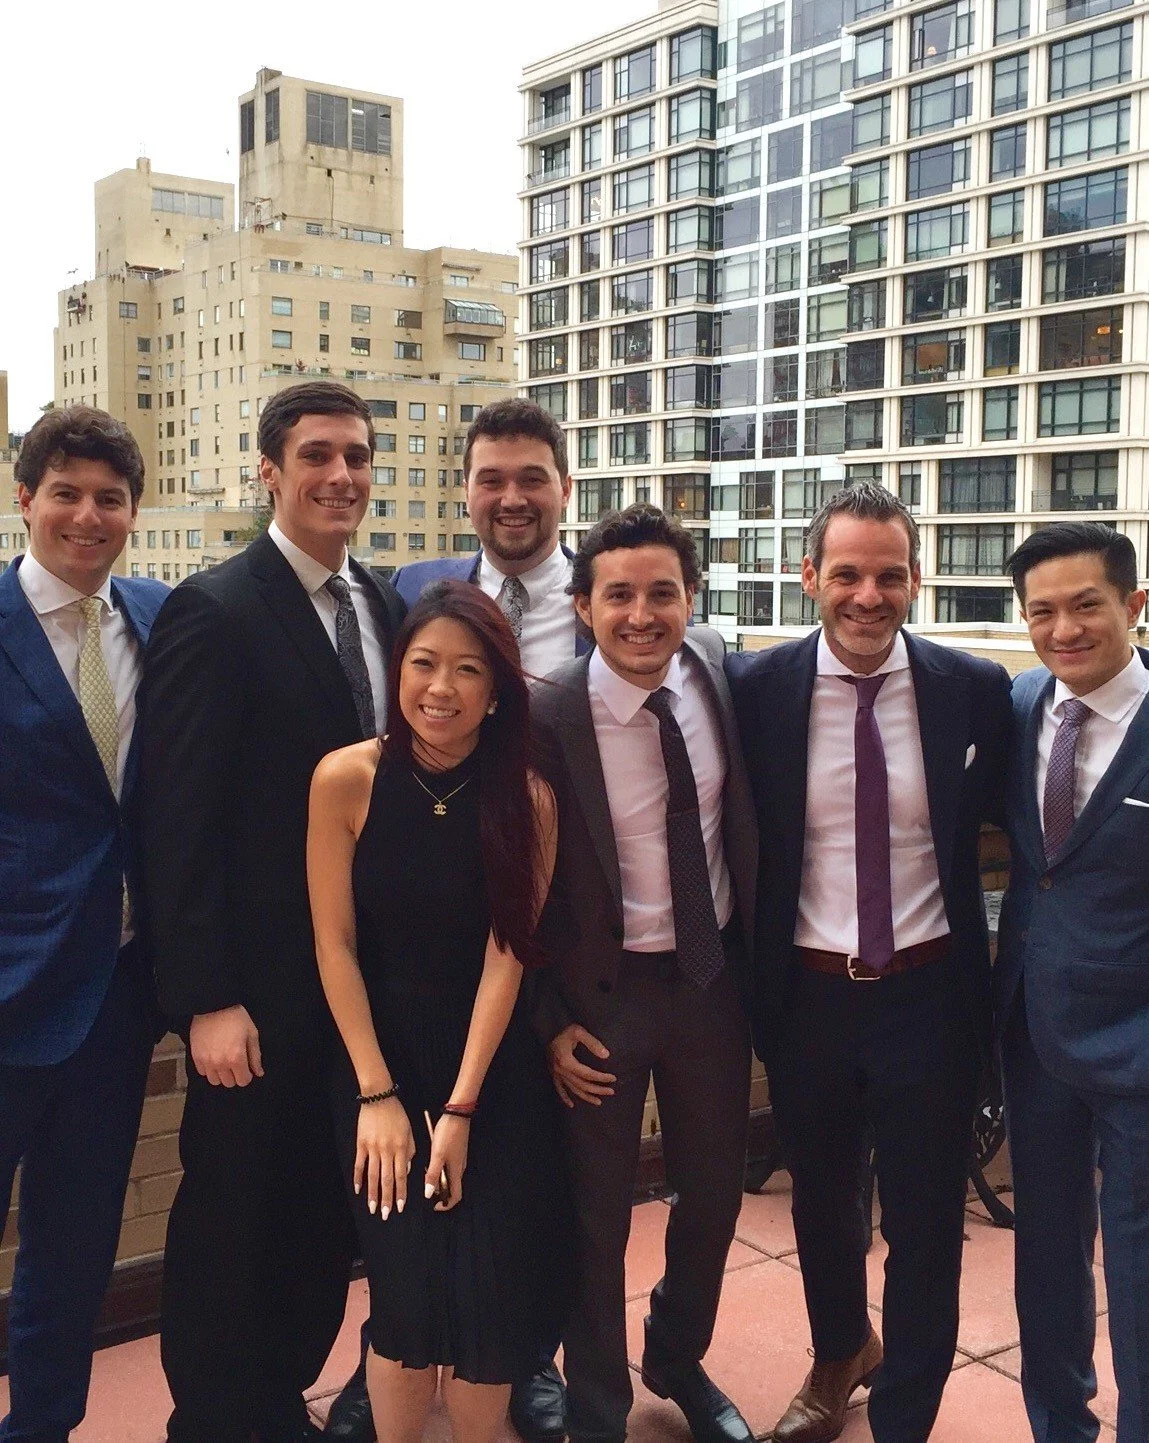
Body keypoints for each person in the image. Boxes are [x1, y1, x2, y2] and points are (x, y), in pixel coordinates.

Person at [137, 382, 406, 1443]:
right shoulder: (215, 607)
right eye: (317, 457)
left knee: (312, 1217)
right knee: (230, 1219)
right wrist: (206, 998)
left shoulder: (383, 605)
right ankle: (210, 1419)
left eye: (357, 457)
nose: (340, 476)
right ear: (269, 472)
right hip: (253, 996)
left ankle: (278, 1399)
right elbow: (178, 818)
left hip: (357, 988)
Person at [728, 483, 1011, 1443]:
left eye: (889, 575)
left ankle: (903, 1417)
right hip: (806, 993)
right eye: (844, 573)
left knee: (925, 1220)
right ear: (808, 577)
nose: (866, 594)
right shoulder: (755, 692)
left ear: (915, 580)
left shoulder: (971, 688)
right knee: (821, 1200)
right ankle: (839, 1350)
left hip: (929, 992)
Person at [327, 396, 583, 1443]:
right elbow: (332, 939)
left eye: (469, 668)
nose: (442, 685)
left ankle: (517, 1371)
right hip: (386, 1049)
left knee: (497, 1286)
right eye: (425, 665)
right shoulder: (352, 767)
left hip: (504, 1043)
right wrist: (378, 1090)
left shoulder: (526, 784)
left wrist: (467, 1104)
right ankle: (384, 1372)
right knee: (402, 1288)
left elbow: (510, 943)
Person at [532, 504, 757, 1443]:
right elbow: (508, 885)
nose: (640, 614)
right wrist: (545, 1017)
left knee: (712, 1193)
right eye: (616, 594)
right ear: (582, 605)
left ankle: (676, 1351)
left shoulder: (712, 671)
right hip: (598, 1002)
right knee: (594, 1220)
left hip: (708, 985)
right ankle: (596, 1406)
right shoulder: (544, 714)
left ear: (690, 600)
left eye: (661, 592)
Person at [0, 406, 167, 1442]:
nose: (88, 514)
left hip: (113, 1006)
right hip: (6, 999)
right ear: (26, 500)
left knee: (71, 1255)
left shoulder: (156, 616)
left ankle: (42, 1430)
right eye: (66, 492)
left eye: (109, 498)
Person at [996, 522, 1149, 1443]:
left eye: (1085, 604)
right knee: (1045, 1256)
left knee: (1137, 1272)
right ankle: (1059, 1424)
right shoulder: (1018, 704)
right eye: (1041, 611)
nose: (1064, 629)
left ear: (1131, 604)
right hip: (1034, 1030)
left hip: (1137, 1047)